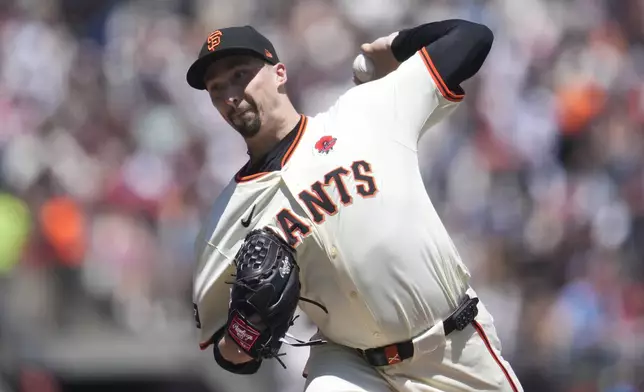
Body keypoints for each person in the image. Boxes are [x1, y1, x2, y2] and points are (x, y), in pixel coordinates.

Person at [187, 20, 524, 392]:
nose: (231, 94)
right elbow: (227, 352)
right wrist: (241, 338)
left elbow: (473, 38)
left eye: (240, 75)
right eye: (217, 89)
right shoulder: (224, 221)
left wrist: (395, 46)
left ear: (279, 73)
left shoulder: (365, 111)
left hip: (454, 347)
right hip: (351, 364)